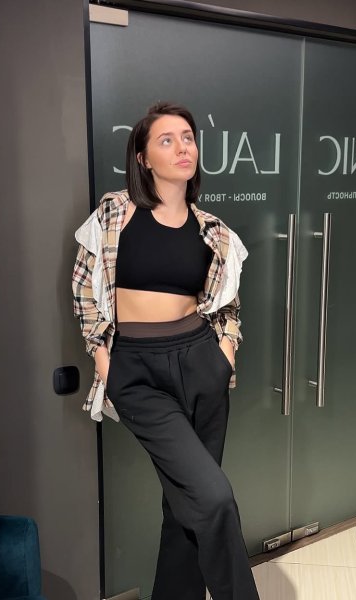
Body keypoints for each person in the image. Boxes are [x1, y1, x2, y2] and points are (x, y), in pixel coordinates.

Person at [72, 101, 260, 600]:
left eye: (188, 137)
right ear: (143, 157)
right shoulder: (115, 214)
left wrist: (225, 352)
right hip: (136, 371)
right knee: (213, 497)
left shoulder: (213, 230)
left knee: (185, 506)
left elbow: (227, 304)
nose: (183, 147)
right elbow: (84, 290)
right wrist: (104, 361)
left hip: (201, 363)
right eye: (167, 139)